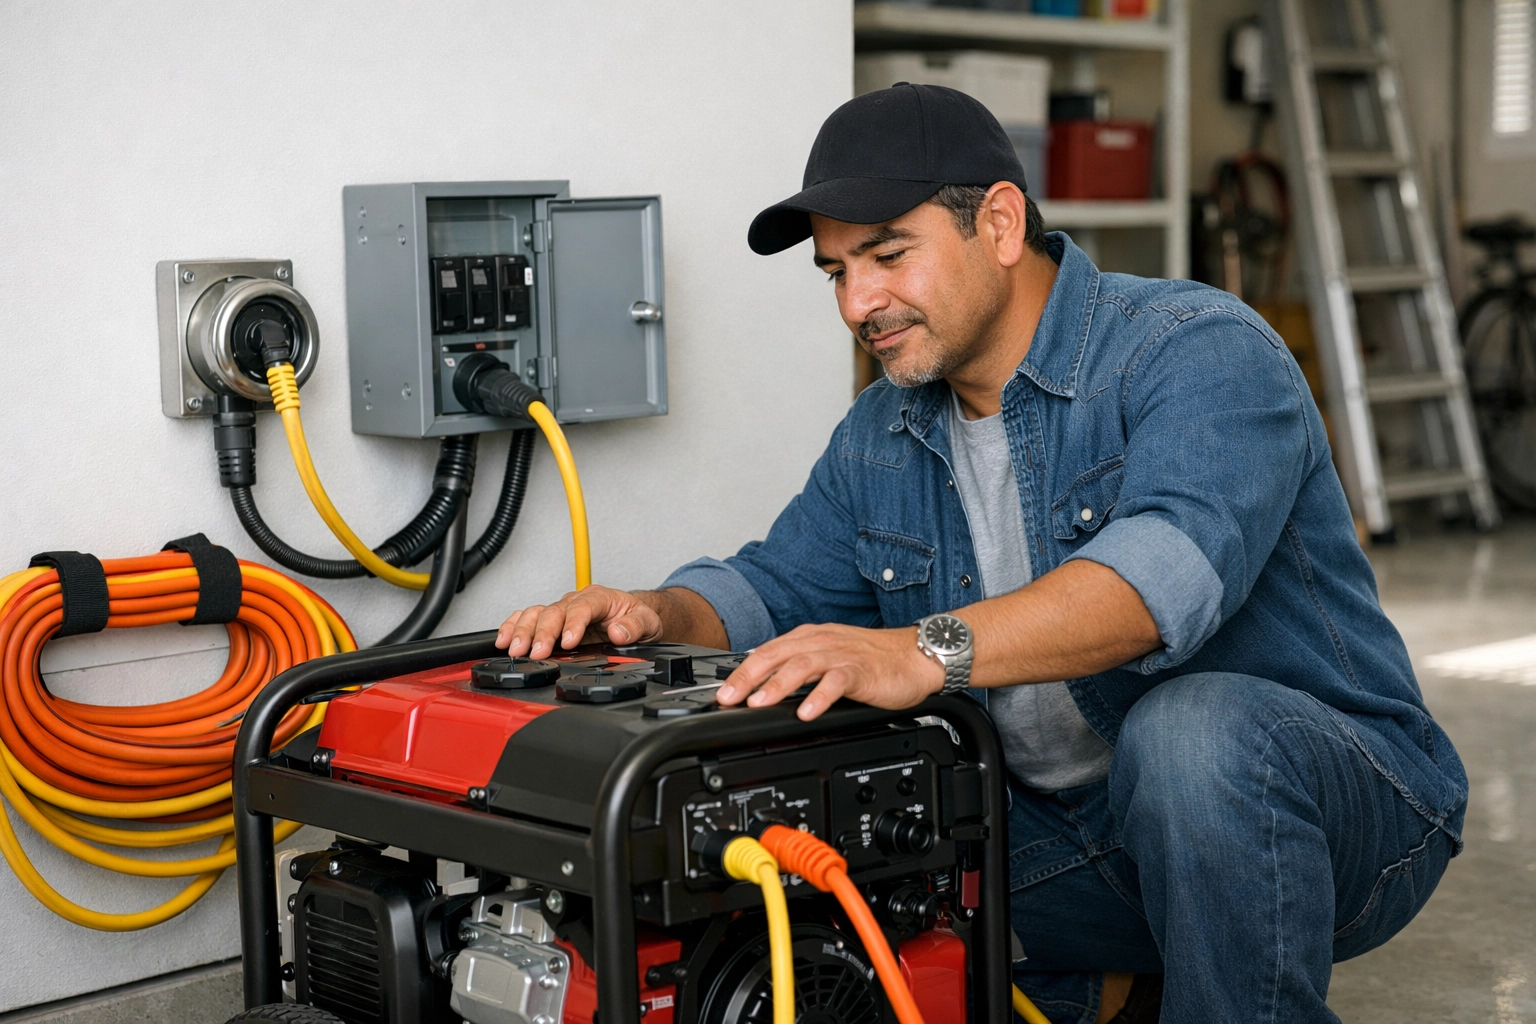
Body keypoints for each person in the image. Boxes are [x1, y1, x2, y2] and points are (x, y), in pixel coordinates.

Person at [494, 85, 1463, 1024]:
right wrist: (655, 613)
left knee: (1190, 733)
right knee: (816, 862)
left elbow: (1157, 585)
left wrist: (920, 649)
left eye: (886, 254)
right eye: (837, 272)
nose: (856, 302)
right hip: (1067, 833)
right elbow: (773, 585)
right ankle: (1116, 992)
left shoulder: (1196, 348)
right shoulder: (882, 431)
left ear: (1000, 223)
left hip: (1328, 814)